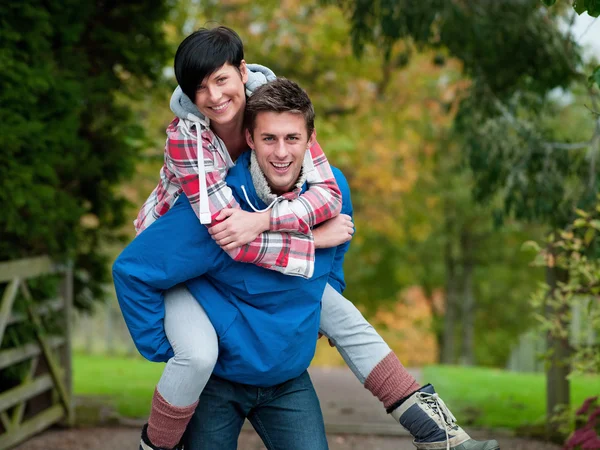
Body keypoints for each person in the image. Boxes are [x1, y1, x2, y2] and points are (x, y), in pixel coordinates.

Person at [120, 25, 499, 450]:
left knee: (342, 315)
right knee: (198, 353)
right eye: (200, 87)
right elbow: (224, 228)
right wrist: (312, 242)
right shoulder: (186, 138)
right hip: (181, 239)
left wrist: (314, 272)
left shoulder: (280, 110)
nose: (212, 95)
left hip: (249, 239)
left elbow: (328, 193)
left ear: (243, 73)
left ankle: (439, 435)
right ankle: (154, 446)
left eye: (222, 79)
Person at [115, 78, 350, 449]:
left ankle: (435, 429)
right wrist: (167, 350)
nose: (282, 152)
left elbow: (336, 250)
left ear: (310, 140)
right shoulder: (211, 210)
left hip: (286, 378)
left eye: (293, 138)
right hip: (218, 382)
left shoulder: (328, 191)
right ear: (251, 139)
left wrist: (327, 293)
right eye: (269, 138)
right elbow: (132, 270)